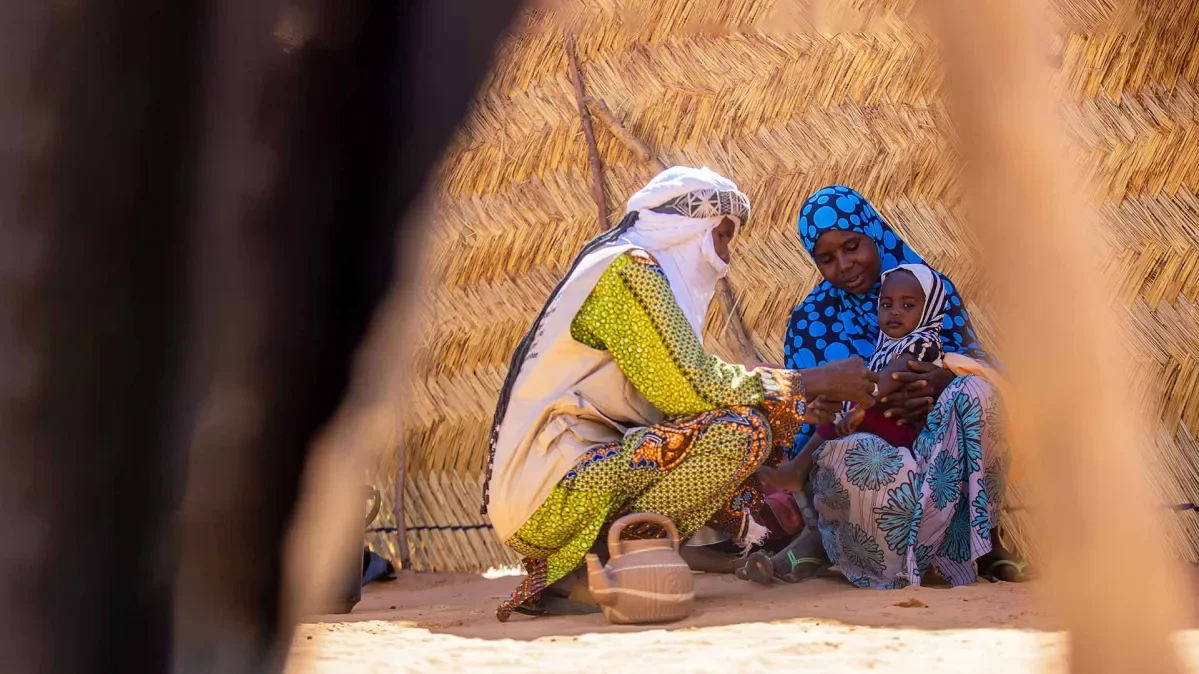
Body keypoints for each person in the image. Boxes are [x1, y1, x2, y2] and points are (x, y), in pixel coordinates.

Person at [480, 168, 877, 621]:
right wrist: (810, 382)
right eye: (721, 236)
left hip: (567, 482)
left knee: (764, 417)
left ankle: (625, 561)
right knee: (741, 432)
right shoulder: (628, 271)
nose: (725, 254)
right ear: (690, 228)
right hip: (555, 491)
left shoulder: (627, 267)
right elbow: (689, 388)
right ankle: (616, 567)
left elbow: (681, 399)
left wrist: (793, 404)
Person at [746, 185, 1028, 587]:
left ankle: (984, 542)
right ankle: (826, 539)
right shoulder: (812, 319)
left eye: (852, 246)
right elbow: (809, 417)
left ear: (873, 231)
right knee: (856, 451)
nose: (844, 264)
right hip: (866, 461)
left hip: (937, 444)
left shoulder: (932, 289)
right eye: (826, 258)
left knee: (980, 393)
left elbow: (975, 361)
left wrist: (940, 382)